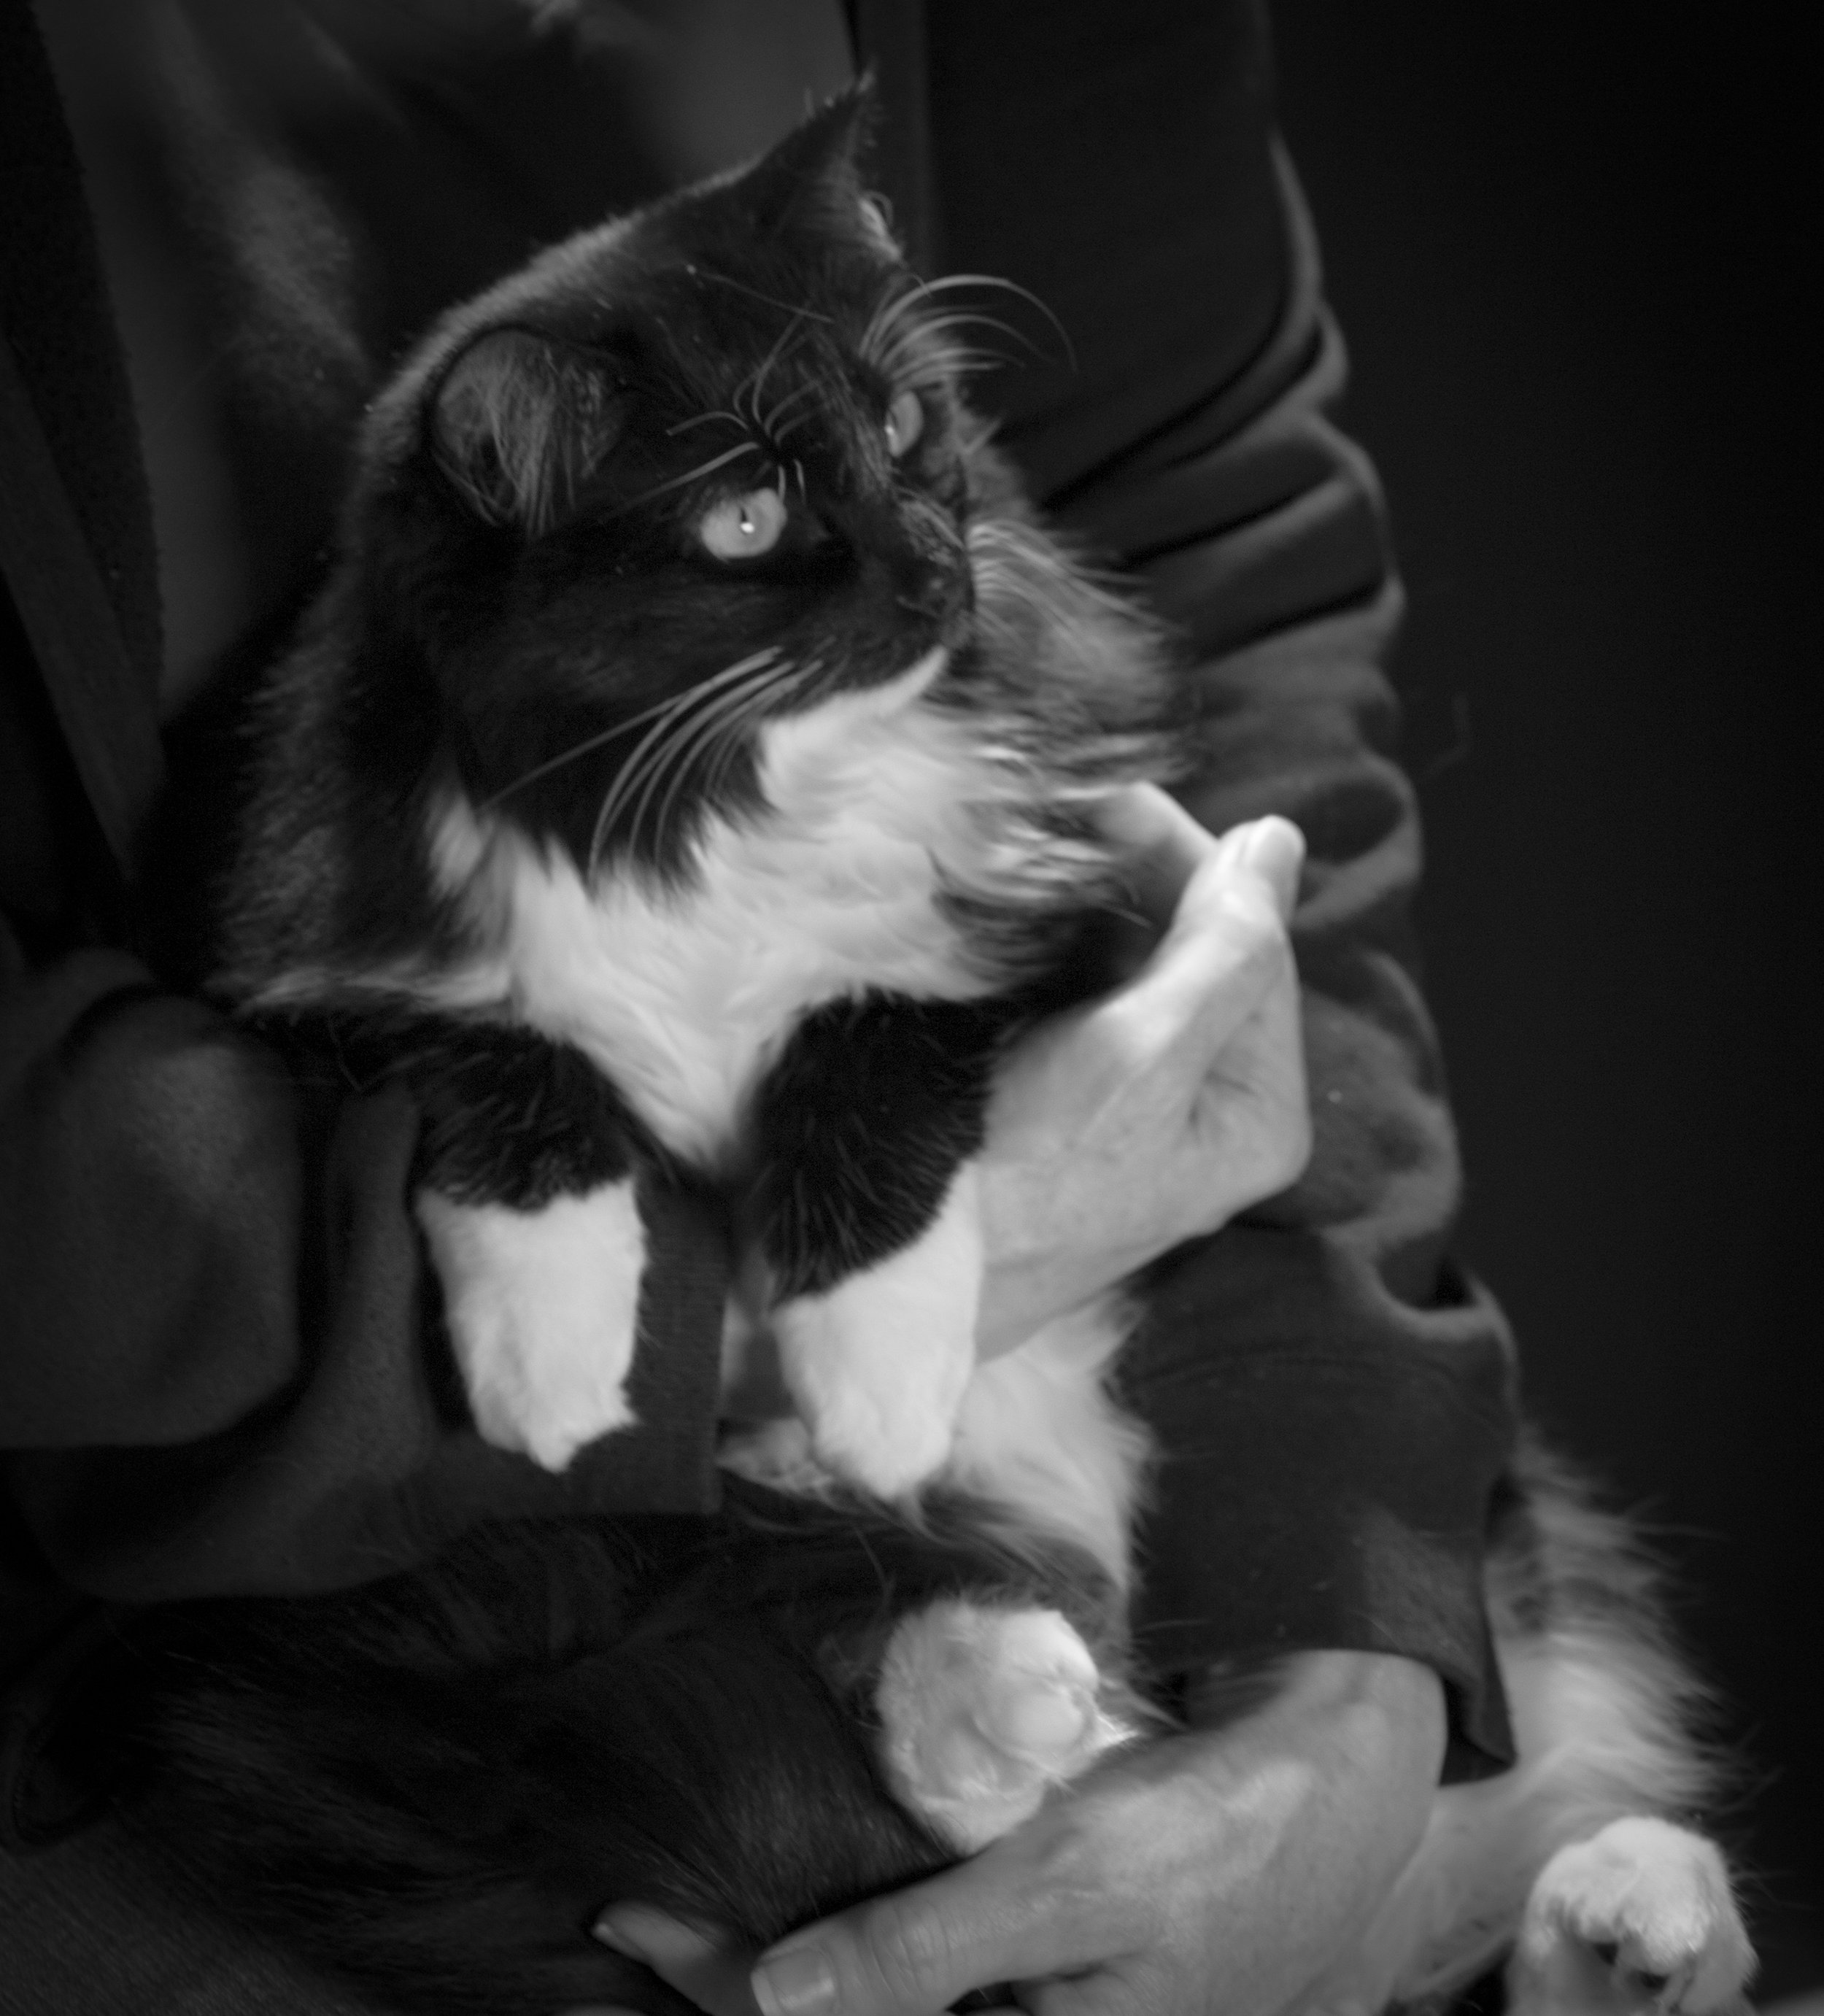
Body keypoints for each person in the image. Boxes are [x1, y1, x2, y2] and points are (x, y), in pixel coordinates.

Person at [0, 3, 1518, 2011]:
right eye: (754, 525)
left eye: (907, 449)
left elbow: (1214, 507)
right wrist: (714, 1304)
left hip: (1110, 1393)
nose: (915, 567)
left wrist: (1337, 1663)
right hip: (201, 1616)